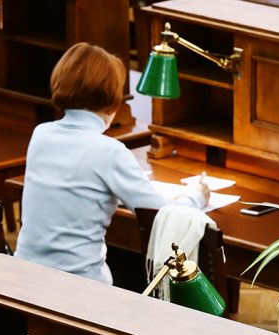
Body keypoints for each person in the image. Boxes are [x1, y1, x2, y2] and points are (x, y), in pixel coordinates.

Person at [15, 42, 210, 285]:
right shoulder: (110, 152)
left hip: (23, 279)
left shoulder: (41, 134)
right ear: (113, 101)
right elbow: (163, 215)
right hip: (79, 289)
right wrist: (197, 196)